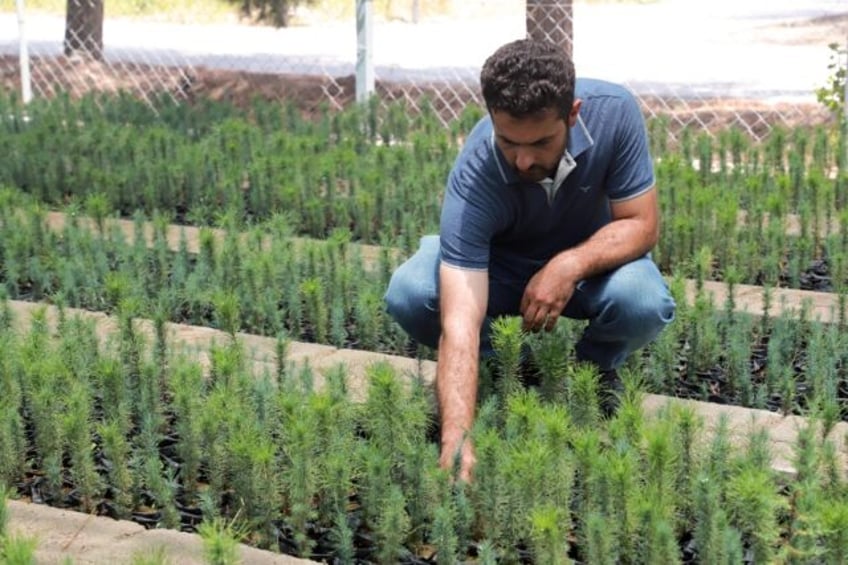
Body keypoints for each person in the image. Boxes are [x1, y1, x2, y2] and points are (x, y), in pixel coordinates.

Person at [384, 38, 676, 481]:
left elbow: (642, 224)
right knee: (412, 293)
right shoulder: (475, 172)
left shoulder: (615, 113)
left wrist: (568, 265)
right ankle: (490, 371)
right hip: (498, 269)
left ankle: (593, 373)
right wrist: (456, 436)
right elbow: (459, 320)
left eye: (540, 142)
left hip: (588, 269)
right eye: (508, 141)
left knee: (642, 300)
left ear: (572, 115)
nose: (522, 160)